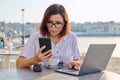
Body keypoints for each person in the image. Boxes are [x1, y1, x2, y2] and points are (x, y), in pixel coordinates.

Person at [16, 3, 81, 70]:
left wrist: (75, 63)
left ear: (65, 23)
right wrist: (35, 59)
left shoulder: (71, 37)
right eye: (50, 22)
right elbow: (19, 63)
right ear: (45, 22)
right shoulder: (35, 37)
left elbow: (77, 60)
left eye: (58, 23)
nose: (53, 27)